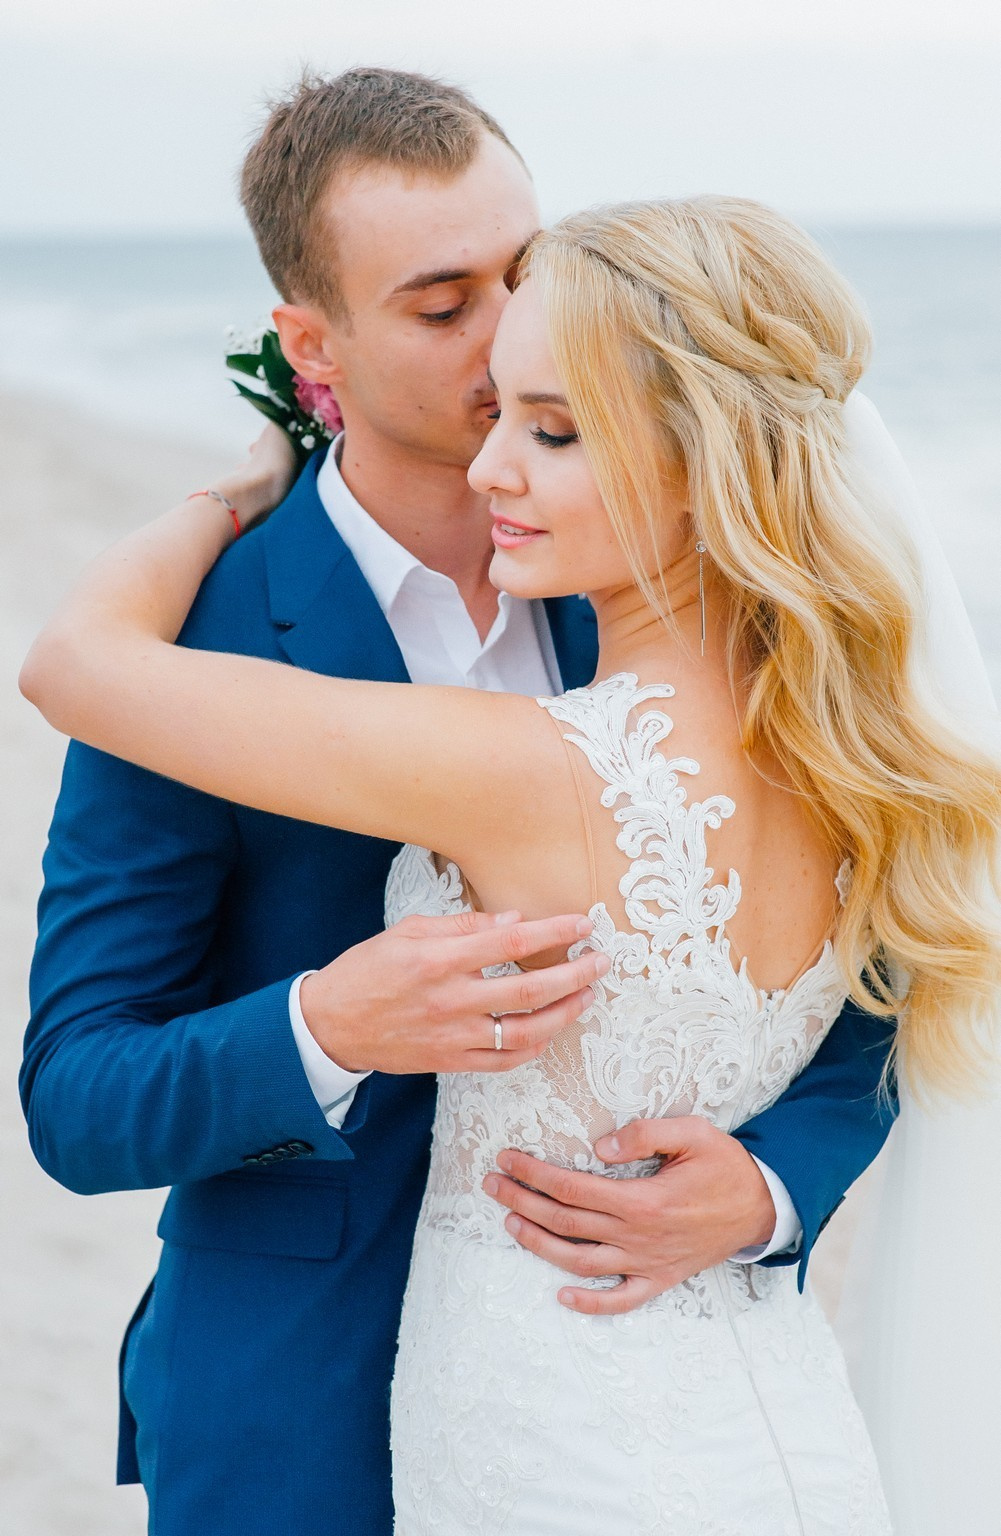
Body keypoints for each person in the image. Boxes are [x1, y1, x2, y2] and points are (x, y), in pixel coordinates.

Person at [25, 192, 1001, 1532]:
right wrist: (324, 1025)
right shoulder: (866, 747)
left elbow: (74, 666)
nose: (492, 461)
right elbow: (77, 1089)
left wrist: (770, 1189)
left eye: (549, 428)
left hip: (561, 1452)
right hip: (760, 1438)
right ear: (316, 339)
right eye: (460, 340)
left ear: (700, 461)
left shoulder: (524, 759)